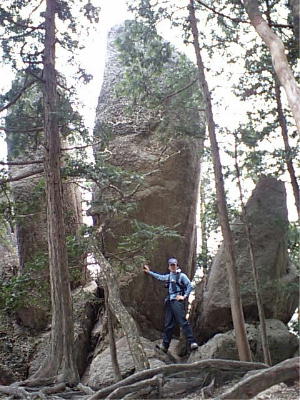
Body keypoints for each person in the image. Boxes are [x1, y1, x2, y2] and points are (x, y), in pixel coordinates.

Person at [143, 257, 198, 352]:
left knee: (182, 321)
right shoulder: (169, 276)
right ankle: (165, 345)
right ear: (169, 267)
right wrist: (149, 272)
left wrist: (184, 296)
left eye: (174, 265)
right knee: (168, 324)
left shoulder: (181, 276)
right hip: (169, 301)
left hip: (177, 301)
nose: (173, 267)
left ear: (177, 266)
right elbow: (160, 277)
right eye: (171, 265)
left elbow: (190, 286)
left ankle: (192, 342)